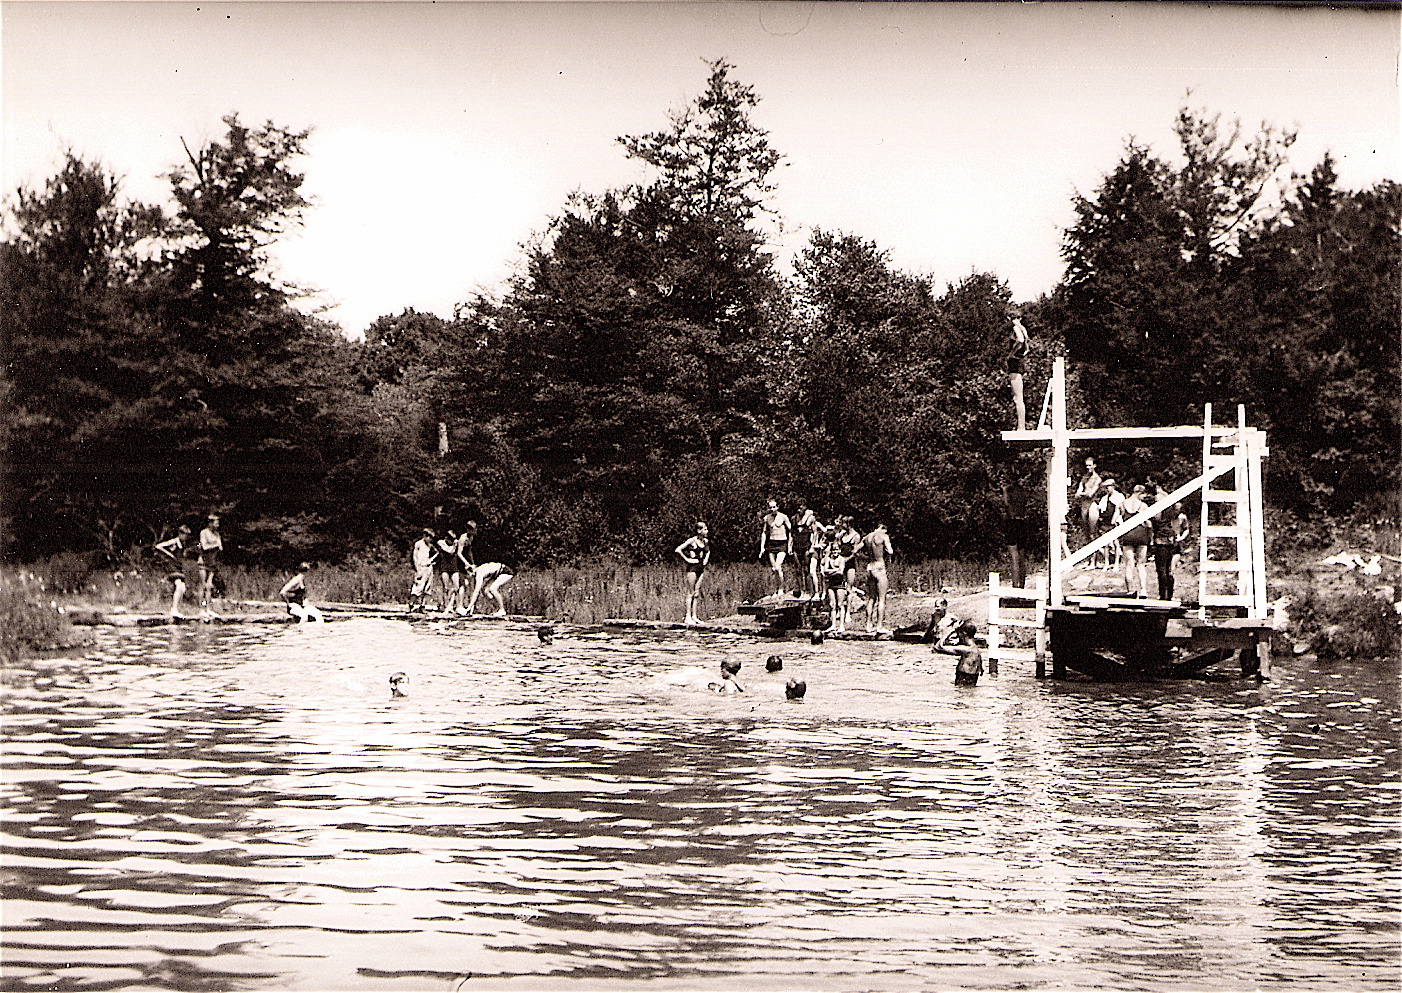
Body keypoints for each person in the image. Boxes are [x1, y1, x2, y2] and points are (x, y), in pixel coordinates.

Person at [675, 521, 711, 626]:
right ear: (699, 531)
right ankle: (688, 616)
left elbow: (708, 551)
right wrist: (688, 560)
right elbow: (678, 549)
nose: (707, 531)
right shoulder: (692, 541)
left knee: (697, 593)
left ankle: (694, 616)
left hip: (701, 567)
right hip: (692, 568)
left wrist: (705, 560)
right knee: (690, 593)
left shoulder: (705, 541)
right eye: (705, 529)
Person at [1120, 483, 1153, 597]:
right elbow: (1148, 523)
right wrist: (1150, 535)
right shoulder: (1143, 506)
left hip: (1128, 534)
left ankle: (1130, 590)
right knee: (1141, 564)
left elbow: (1114, 521)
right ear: (1140, 493)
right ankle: (1143, 590)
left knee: (1129, 564)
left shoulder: (1122, 504)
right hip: (1141, 534)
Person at [154, 525, 194, 617]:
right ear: (180, 533)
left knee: (182, 588)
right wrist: (169, 554)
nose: (186, 537)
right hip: (172, 566)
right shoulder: (174, 541)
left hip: (178, 566)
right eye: (184, 534)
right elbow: (158, 546)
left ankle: (176, 608)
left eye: (187, 535)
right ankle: (174, 609)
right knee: (179, 585)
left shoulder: (182, 543)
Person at [861, 523, 894, 633]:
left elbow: (856, 550)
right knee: (881, 599)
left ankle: (868, 625)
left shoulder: (867, 537)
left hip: (870, 566)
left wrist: (866, 557)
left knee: (871, 598)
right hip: (879, 566)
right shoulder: (883, 536)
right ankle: (879, 626)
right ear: (883, 529)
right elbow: (890, 551)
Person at [998, 479, 1030, 590]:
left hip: (1012, 523)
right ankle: (1021, 586)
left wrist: (1004, 492)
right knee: (1021, 557)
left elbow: (1006, 504)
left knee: (1014, 557)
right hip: (1022, 522)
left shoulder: (1008, 490)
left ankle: (1015, 587)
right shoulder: (1021, 490)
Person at [1149, 480, 1178, 601]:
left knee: (1161, 569)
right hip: (1171, 537)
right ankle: (1169, 595)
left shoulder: (1159, 499)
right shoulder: (1169, 498)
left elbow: (1157, 517)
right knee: (1169, 568)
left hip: (1161, 537)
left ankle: (1163, 596)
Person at [758, 498, 792, 596]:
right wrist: (762, 547)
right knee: (774, 569)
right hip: (772, 543)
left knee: (778, 567)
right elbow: (764, 533)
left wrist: (789, 546)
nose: (772, 509)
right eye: (770, 507)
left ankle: (781, 589)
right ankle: (776, 589)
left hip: (782, 543)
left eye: (774, 507)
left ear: (777, 507)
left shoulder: (783, 517)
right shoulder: (767, 518)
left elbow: (791, 531)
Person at [937, 619, 984, 686]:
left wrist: (951, 630)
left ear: (963, 634)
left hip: (963, 680)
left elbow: (938, 647)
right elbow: (981, 669)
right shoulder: (976, 649)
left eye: (958, 633)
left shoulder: (966, 649)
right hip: (971, 679)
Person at [1074, 457, 1102, 556]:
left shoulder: (1097, 479)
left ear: (1094, 466)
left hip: (1092, 505)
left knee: (1092, 532)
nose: (1087, 467)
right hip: (1084, 505)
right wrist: (1081, 493)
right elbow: (1078, 492)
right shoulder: (1084, 478)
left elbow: (1091, 494)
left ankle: (1095, 558)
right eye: (1086, 465)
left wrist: (1082, 493)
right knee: (1086, 533)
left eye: (1090, 465)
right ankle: (1089, 558)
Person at [197, 514, 223, 618]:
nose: (217, 525)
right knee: (203, 585)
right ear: (210, 523)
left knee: (209, 586)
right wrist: (215, 545)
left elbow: (220, 547)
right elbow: (204, 546)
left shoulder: (216, 534)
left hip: (212, 563)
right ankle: (201, 609)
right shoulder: (203, 532)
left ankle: (208, 609)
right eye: (216, 523)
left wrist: (217, 546)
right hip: (203, 562)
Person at [1007, 311, 1030, 431]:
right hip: (1019, 362)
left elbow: (1020, 341)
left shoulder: (1015, 328)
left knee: (1018, 398)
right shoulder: (1022, 329)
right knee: (1019, 397)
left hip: (1014, 364)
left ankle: (1021, 427)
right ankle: (1021, 426)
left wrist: (1012, 353)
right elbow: (1026, 346)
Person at [408, 528, 437, 613]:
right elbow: (415, 557)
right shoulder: (418, 544)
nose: (430, 539)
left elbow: (436, 552)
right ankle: (411, 604)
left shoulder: (430, 545)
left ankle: (422, 605)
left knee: (427, 588)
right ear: (425, 536)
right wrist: (417, 569)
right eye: (429, 537)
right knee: (418, 587)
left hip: (428, 567)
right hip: (421, 567)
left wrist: (432, 560)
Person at [792, 500, 816, 598]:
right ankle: (800, 590)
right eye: (798, 508)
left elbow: (815, 533)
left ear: (805, 508)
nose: (799, 510)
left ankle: (809, 591)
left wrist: (812, 546)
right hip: (796, 546)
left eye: (801, 508)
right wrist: (790, 546)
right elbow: (791, 533)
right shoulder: (794, 519)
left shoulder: (810, 519)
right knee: (798, 569)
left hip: (806, 546)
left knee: (807, 569)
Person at [436, 529, 461, 613]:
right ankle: (446, 605)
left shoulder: (456, 543)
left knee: (457, 587)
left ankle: (457, 605)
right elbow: (449, 551)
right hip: (444, 566)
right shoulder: (441, 542)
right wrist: (454, 545)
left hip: (454, 566)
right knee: (445, 587)